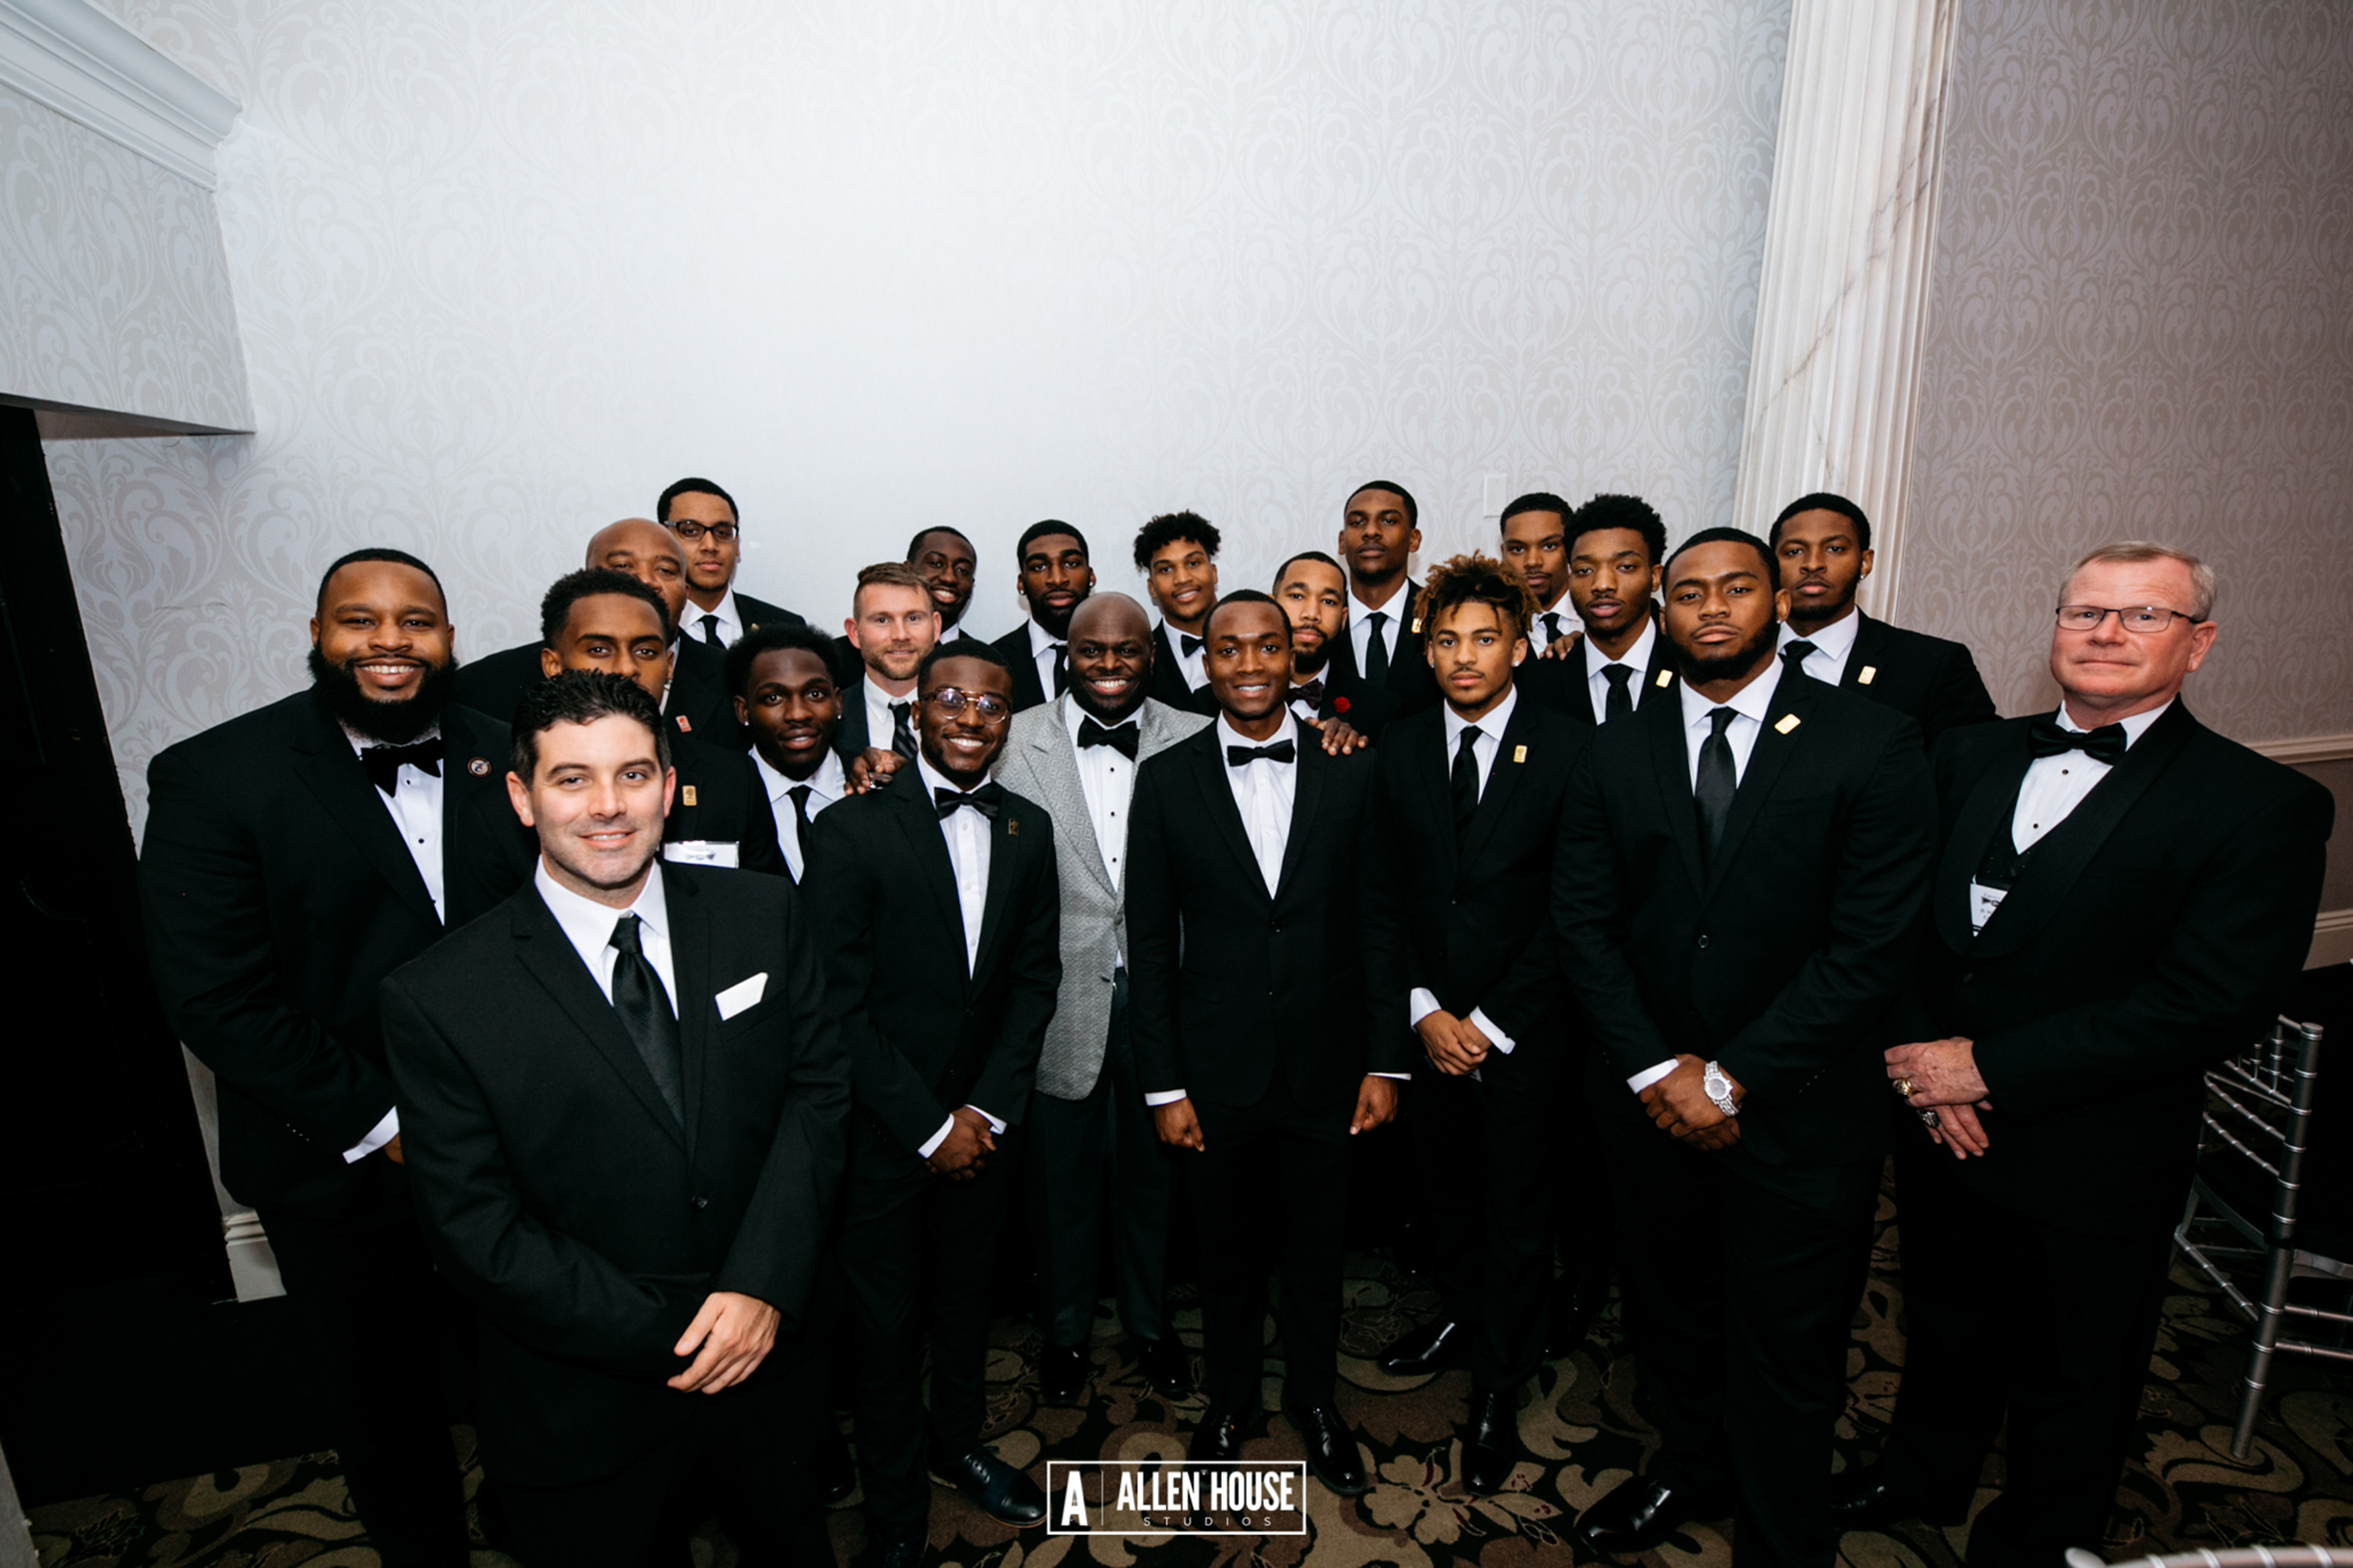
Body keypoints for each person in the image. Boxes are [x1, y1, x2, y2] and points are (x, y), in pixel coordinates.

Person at [1834, 543, 2333, 1567]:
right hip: (1936, 1118)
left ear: (2199, 646)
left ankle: (2040, 1539)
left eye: (2142, 616)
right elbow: (1894, 925)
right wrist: (1920, 1061)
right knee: (1943, 1318)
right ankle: (1922, 1471)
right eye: (2086, 612)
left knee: (2078, 1367)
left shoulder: (2259, 805)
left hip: (2095, 1143)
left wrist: (1990, 1068)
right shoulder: (1965, 753)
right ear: (2055, 627)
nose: (2106, 633)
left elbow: (2212, 1003)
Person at [380, 671, 848, 1567]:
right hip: (583, 1393)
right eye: (571, 778)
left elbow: (818, 1094)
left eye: (634, 775)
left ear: (670, 788)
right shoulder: (439, 994)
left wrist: (759, 1286)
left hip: (771, 1356)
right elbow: (475, 1227)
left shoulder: (763, 913)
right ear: (522, 796)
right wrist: (675, 1331)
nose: (608, 806)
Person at [139, 548, 535, 1567]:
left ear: (451, 639)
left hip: (523, 1151)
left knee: (530, 1378)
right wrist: (394, 1122)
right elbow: (218, 999)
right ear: (318, 635)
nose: (392, 641)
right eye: (361, 620)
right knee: (384, 1408)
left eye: (419, 621)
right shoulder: (217, 775)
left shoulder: (518, 754)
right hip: (342, 1163)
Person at [1552, 528, 1936, 1565]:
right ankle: (1690, 1465)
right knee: (1671, 1313)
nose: (1710, 607)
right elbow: (1582, 926)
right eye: (1688, 592)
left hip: (1803, 1108)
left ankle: (1779, 1528)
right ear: (1661, 611)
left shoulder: (1872, 740)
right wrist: (1655, 1069)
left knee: (1792, 1340)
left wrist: (1729, 1077)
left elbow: (1871, 948)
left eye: (1736, 587)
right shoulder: (1615, 745)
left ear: (1776, 600)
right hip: (1647, 1105)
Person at [1127, 590, 1407, 1497]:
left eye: (1267, 646)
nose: (1248, 664)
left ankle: (1318, 1400)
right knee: (1225, 1251)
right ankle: (1233, 1397)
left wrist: (1385, 1058)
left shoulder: (1350, 766)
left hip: (1330, 1066)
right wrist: (1164, 1086)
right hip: (1215, 1071)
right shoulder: (1165, 779)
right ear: (1204, 661)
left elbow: (1378, 920)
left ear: (1297, 658)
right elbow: (1151, 940)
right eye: (1228, 648)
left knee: (1319, 1251)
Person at [801, 643, 1063, 1565]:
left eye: (989, 704)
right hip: (883, 1134)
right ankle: (897, 1513)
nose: (967, 715)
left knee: (965, 1305)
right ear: (916, 711)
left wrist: (984, 1111)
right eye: (948, 697)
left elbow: (1035, 982)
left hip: (983, 1130)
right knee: (882, 1333)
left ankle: (958, 1443)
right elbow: (837, 1000)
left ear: (1008, 720)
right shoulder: (849, 829)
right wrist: (926, 1125)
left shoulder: (1029, 828)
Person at [1360, 554, 1588, 1495]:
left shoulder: (1573, 747)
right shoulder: (1397, 745)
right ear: (1427, 645)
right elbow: (1382, 896)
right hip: (1428, 1028)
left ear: (1520, 646)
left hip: (1525, 1033)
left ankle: (1501, 1378)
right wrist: (1421, 1011)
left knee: (1519, 1212)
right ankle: (1462, 1313)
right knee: (1444, 1195)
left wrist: (1489, 1021)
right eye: (1447, 638)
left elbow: (1574, 910)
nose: (1464, 656)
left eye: (1484, 637)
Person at [995, 593, 1211, 1406]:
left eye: (1127, 652)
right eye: (1093, 652)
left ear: (1150, 655)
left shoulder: (1194, 738)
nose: (1110, 666)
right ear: (1067, 656)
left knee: (1155, 1183)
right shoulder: (1013, 740)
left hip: (1169, 1000)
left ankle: (1151, 1328)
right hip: (1054, 1005)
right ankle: (1066, 1334)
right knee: (1060, 1190)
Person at [536, 568, 783, 875]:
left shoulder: (732, 782)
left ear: (669, 666)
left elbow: (766, 907)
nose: (627, 668)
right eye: (599, 650)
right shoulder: (509, 796)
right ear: (553, 665)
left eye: (645, 651)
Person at [455, 518, 741, 744]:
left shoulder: (735, 680)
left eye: (666, 570)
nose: (646, 581)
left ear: (686, 593)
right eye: (622, 566)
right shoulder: (486, 687)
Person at [1769, 492, 1998, 751]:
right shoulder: (1735, 658)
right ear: (1771, 565)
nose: (1813, 564)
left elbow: (1972, 772)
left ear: (1864, 563)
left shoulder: (1931, 666)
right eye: (1795, 551)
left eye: (1835, 549)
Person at [728, 622, 848, 884]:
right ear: (743, 711)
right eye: (773, 698)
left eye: (815, 694)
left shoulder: (875, 785)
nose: (798, 714)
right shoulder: (720, 798)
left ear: (838, 701)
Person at [1326, 481, 1439, 719]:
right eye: (1357, 522)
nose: (1371, 532)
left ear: (1413, 539)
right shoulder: (1320, 622)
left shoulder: (1441, 614)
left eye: (1388, 521)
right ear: (1341, 542)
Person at [658, 475, 805, 647]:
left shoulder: (786, 628)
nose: (710, 546)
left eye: (722, 533)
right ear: (662, 539)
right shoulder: (644, 624)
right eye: (691, 531)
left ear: (737, 546)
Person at [1275, 549, 1395, 736]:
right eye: (1297, 596)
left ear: (1343, 619)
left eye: (1328, 601)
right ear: (1270, 608)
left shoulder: (1379, 709)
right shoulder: (1224, 696)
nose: (1312, 614)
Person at [835, 561, 942, 764]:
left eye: (913, 618)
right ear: (855, 633)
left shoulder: (964, 717)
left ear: (936, 627)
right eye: (882, 620)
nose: (900, 635)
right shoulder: (828, 721)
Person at [991, 521, 1097, 711]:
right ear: (1021, 583)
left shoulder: (1123, 656)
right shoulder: (993, 661)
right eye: (1039, 567)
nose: (1057, 579)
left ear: (1091, 576)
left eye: (1071, 564)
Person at [1133, 511, 1222, 715]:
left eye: (1193, 563)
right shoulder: (1140, 662)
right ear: (1152, 587)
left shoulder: (1259, 635)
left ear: (1214, 572)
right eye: (1165, 569)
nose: (1182, 579)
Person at [1498, 491, 1577, 649]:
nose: (1532, 562)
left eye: (1549, 546)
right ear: (1503, 554)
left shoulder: (1602, 612)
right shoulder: (1493, 623)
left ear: (1572, 549)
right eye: (1518, 549)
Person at [910, 526, 986, 647]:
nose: (949, 578)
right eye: (936, 564)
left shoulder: (983, 661)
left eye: (962, 570)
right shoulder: (873, 650)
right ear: (908, 571)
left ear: (972, 585)